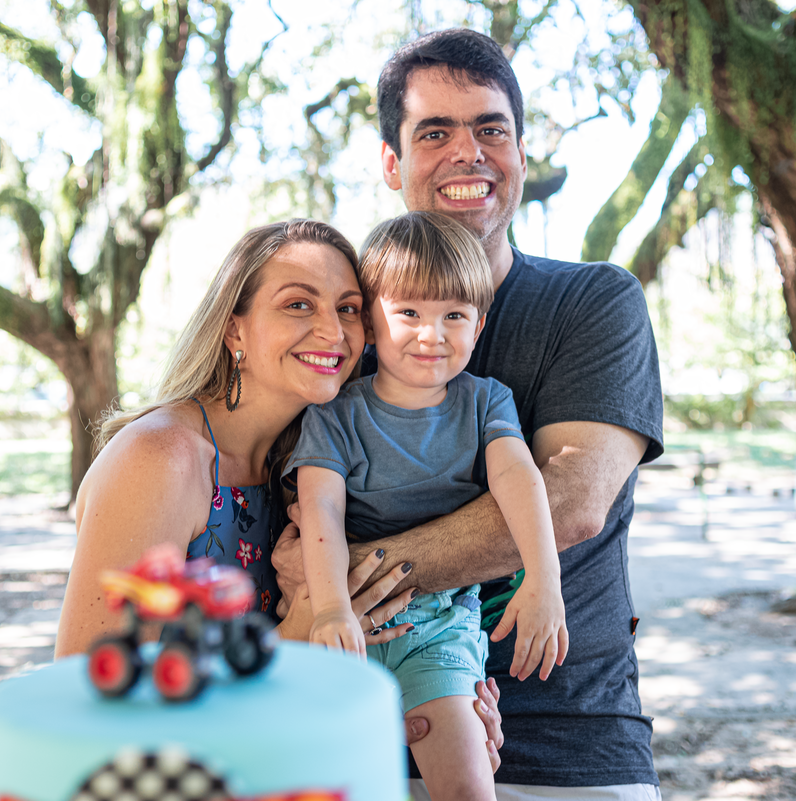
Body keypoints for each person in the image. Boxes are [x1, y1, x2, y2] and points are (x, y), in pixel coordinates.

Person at [272, 29, 665, 800]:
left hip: (567, 740)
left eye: (492, 128)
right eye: (435, 132)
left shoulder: (592, 302)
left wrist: (346, 580)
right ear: (392, 162)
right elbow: (283, 503)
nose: (469, 152)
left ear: (521, 151)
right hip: (361, 733)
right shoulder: (344, 324)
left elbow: (572, 500)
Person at [52, 218, 505, 769]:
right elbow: (84, 699)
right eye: (298, 305)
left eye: (348, 308)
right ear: (234, 329)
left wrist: (451, 697)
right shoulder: (162, 458)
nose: (333, 332)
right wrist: (294, 636)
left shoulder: (307, 465)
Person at [289, 212, 569, 801]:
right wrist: (332, 610)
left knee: (467, 784)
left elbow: (519, 477)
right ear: (370, 319)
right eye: (409, 312)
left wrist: (545, 578)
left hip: (440, 628)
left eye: (454, 316)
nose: (431, 333)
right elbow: (320, 514)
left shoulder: (486, 401)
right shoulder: (336, 415)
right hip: (345, 628)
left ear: (479, 324)